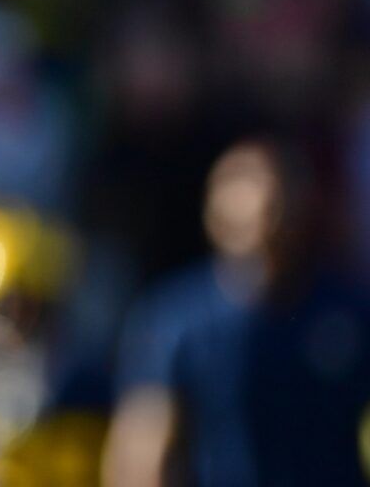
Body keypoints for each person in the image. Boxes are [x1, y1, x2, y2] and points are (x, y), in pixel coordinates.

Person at [102, 138, 370, 487]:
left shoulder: (349, 312)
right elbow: (142, 454)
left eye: (273, 196)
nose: (258, 207)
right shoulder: (175, 319)